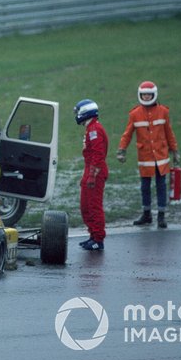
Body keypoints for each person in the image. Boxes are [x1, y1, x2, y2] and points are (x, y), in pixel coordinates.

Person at [117, 81, 180, 228]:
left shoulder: (163, 111)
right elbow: (127, 134)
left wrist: (175, 150)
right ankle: (146, 214)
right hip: (145, 157)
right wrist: (122, 150)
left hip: (161, 157)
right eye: (143, 95)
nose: (146, 97)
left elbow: (169, 133)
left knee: (161, 185)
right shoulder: (134, 114)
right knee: (145, 187)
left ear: (154, 95)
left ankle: (161, 216)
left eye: (148, 95)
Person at [74, 99, 108, 251]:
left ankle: (98, 239)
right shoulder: (90, 128)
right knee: (85, 206)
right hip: (89, 170)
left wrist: (92, 175)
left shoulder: (94, 129)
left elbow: (98, 154)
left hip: (95, 171)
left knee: (94, 206)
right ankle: (93, 235)